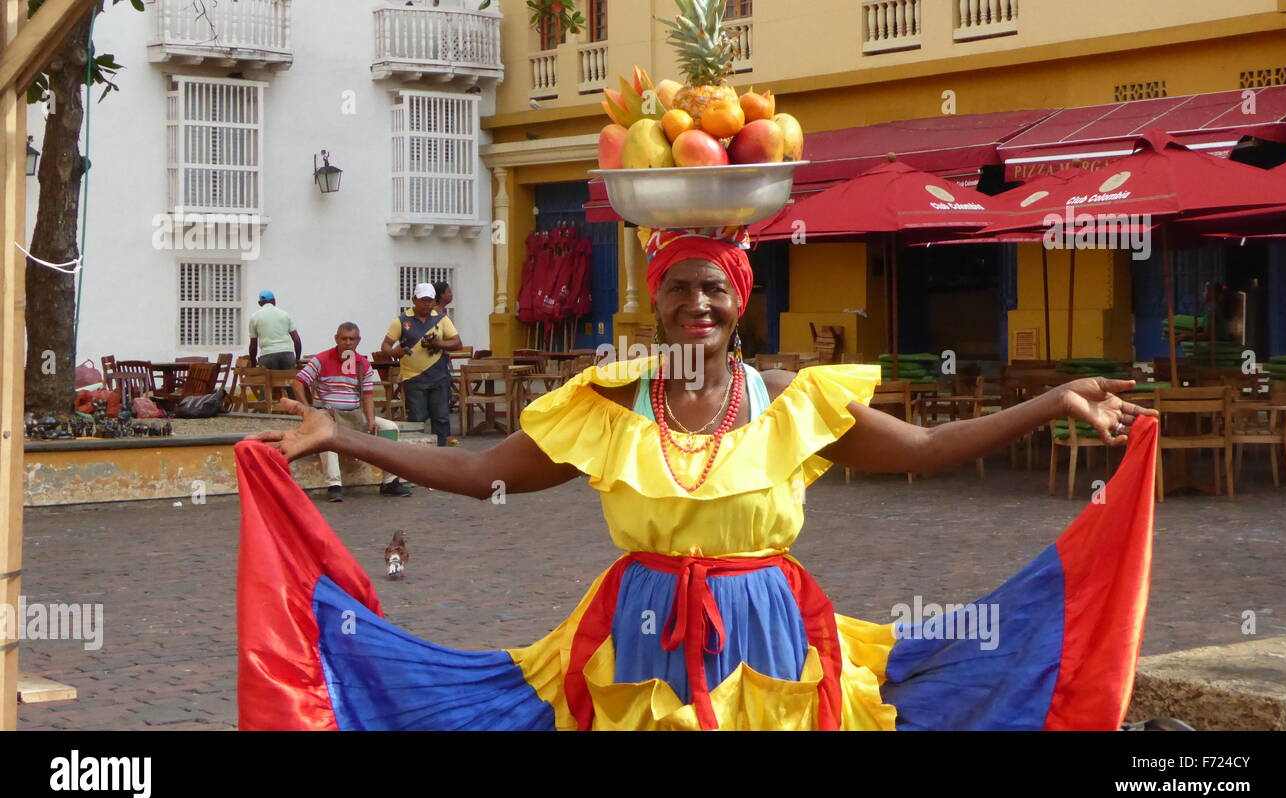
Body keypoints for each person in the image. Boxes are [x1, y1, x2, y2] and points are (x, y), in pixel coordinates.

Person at [244, 226, 1160, 731]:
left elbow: (925, 450)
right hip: (636, 634)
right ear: (657, 299)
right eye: (679, 289)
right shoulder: (604, 403)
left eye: (714, 290)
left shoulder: (792, 398)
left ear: (738, 302)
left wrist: (1051, 402)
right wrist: (348, 437)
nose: (698, 305)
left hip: (770, 634)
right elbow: (482, 471)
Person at [292, 322, 410, 502]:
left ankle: (390, 482)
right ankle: (334, 485)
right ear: (336, 339)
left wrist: (371, 420)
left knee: (390, 427)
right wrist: (309, 411)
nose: (347, 342)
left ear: (358, 341)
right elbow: (298, 382)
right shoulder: (322, 359)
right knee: (326, 433)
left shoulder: (363, 364)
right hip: (328, 412)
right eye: (344, 338)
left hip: (354, 414)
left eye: (352, 339)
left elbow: (368, 396)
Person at [382, 282, 462, 447]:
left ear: (434, 301)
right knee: (417, 418)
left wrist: (438, 344)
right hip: (413, 378)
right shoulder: (402, 321)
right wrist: (394, 353)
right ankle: (417, 455)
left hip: (439, 377)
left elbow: (457, 343)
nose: (426, 304)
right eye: (423, 300)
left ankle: (441, 454)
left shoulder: (441, 319)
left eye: (430, 300)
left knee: (441, 417)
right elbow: (385, 345)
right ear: (414, 300)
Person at [248, 290, 302, 370]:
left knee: (269, 381)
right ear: (274, 301)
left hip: (267, 356)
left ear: (259, 303)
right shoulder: (285, 315)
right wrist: (297, 359)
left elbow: (253, 345)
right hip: (287, 355)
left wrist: (253, 364)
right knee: (288, 381)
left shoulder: (254, 317)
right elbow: (297, 340)